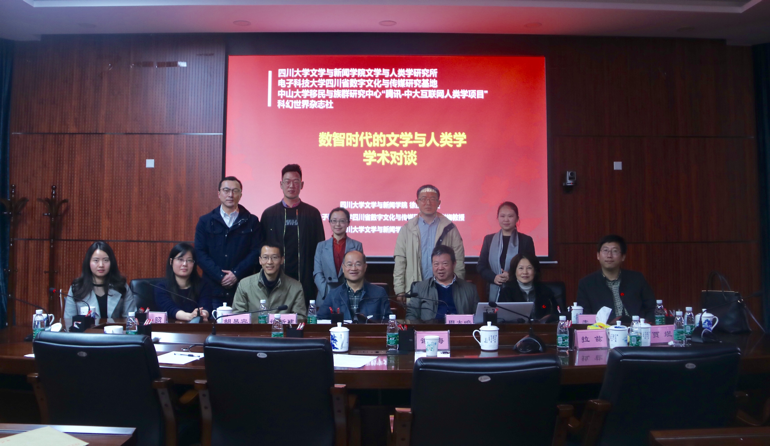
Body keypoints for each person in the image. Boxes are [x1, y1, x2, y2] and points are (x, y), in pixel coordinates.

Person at [261, 164, 325, 307]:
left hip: (306, 278)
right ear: (281, 184)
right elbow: (261, 249)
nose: (291, 185)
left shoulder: (312, 213)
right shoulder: (269, 214)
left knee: (304, 315)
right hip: (275, 279)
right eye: (287, 181)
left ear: (302, 185)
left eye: (296, 182)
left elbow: (320, 249)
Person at [195, 176, 261, 308]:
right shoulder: (205, 221)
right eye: (226, 190)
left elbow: (256, 252)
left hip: (243, 288)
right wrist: (220, 276)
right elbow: (200, 253)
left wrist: (236, 273)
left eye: (235, 191)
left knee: (243, 321)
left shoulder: (252, 221)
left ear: (241, 195)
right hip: (212, 289)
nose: (230, 194)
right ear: (219, 194)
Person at [394, 184, 465, 301]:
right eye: (423, 199)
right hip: (415, 288)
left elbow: (459, 260)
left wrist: (457, 286)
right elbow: (400, 261)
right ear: (417, 202)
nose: (428, 203)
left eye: (432, 199)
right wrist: (399, 289)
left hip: (444, 288)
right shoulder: (407, 229)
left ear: (439, 203)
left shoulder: (450, 228)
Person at [577, 234, 656, 322]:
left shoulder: (637, 279)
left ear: (623, 257)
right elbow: (584, 316)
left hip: (636, 328)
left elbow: (652, 308)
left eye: (615, 251)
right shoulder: (586, 284)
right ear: (598, 255)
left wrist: (645, 324)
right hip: (603, 329)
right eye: (605, 250)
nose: (609, 255)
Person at [231, 241, 307, 323]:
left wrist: (276, 322)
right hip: (253, 331)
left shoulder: (295, 287)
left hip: (283, 330)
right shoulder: (244, 285)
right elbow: (237, 316)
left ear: (282, 260)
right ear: (260, 260)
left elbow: (301, 318)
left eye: (275, 257)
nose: (270, 262)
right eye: (265, 257)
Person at [477, 202, 537, 302]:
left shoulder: (526, 240)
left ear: (517, 219)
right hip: (493, 289)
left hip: (518, 291)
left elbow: (532, 266)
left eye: (510, 216)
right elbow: (481, 266)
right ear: (497, 218)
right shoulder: (489, 240)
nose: (506, 219)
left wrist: (512, 275)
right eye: (502, 216)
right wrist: (494, 277)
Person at [64, 241, 135, 319]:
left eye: (105, 260)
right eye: (96, 260)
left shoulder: (121, 286)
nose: (101, 265)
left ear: (111, 262)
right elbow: (69, 321)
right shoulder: (77, 288)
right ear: (88, 262)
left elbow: (130, 318)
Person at [406, 245, 478, 321]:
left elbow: (477, 317)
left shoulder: (470, 289)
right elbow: (411, 316)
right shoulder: (419, 288)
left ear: (454, 264)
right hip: (430, 328)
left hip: (459, 327)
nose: (440, 268)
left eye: (445, 263)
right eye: (436, 264)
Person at [316, 251, 390, 322]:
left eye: (358, 264)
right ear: (343, 268)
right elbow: (320, 319)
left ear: (365, 267)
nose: (353, 268)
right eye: (349, 264)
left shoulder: (379, 293)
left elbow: (388, 320)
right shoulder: (333, 294)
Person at [313, 207, 363, 307]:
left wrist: (347, 292)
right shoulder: (321, 246)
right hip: (325, 296)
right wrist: (327, 291)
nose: (338, 224)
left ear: (348, 223)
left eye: (342, 221)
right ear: (329, 223)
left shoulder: (357, 245)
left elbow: (358, 272)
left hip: (349, 296)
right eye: (334, 221)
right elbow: (317, 273)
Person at [154, 243, 212, 322]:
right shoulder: (161, 287)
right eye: (180, 259)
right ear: (171, 261)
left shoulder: (203, 285)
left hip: (197, 327)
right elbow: (169, 309)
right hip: (170, 328)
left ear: (194, 264)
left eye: (189, 260)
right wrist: (189, 316)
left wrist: (203, 314)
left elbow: (206, 306)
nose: (184, 264)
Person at [498, 253, 559, 322]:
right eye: (521, 268)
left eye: (529, 268)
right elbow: (501, 319)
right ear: (515, 271)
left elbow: (555, 315)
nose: (525, 272)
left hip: (541, 328)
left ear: (535, 271)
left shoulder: (546, 291)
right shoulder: (506, 292)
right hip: (516, 328)